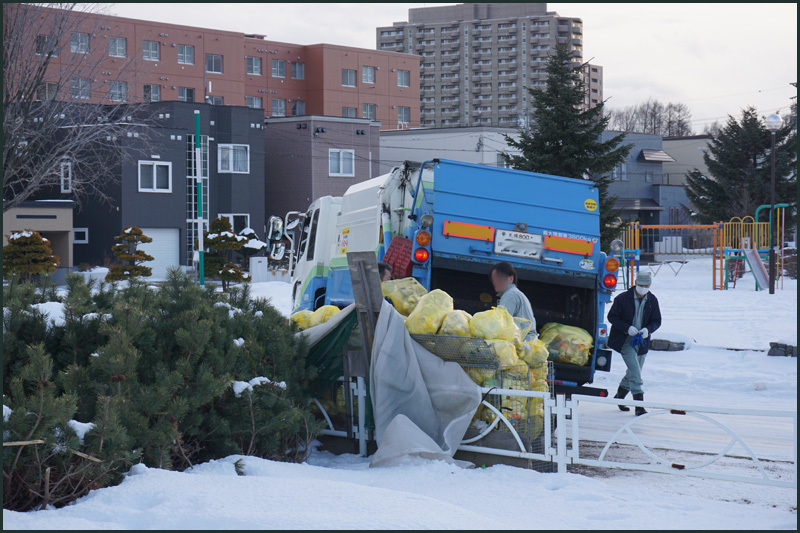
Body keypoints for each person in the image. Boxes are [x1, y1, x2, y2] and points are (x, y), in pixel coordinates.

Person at [607, 270, 661, 416]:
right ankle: (639, 405)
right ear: (635, 283)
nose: (643, 287)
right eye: (641, 284)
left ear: (650, 285)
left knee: (633, 370)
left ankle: (619, 396)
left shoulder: (652, 301)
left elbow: (657, 321)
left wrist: (648, 330)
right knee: (636, 372)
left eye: (646, 285)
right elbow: (612, 317)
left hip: (642, 341)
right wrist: (627, 328)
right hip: (625, 341)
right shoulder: (622, 299)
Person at [490, 261, 536, 340]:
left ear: (511, 279)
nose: (496, 282)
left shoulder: (510, 295)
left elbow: (502, 323)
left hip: (523, 342)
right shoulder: (513, 293)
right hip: (526, 340)